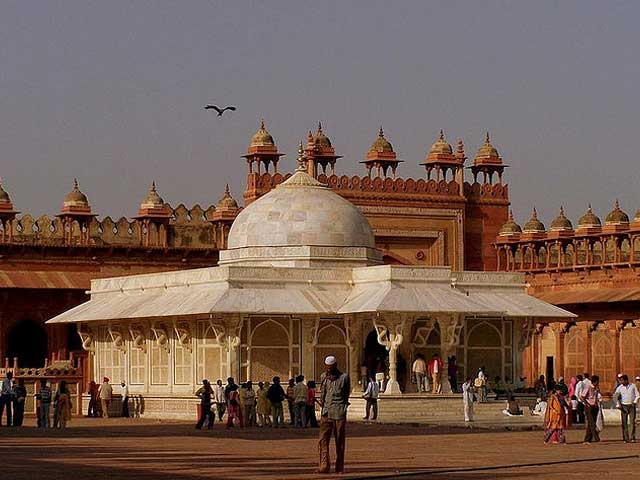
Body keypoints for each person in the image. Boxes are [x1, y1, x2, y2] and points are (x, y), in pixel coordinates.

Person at [318, 355, 350, 475]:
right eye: (327, 368)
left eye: (331, 367)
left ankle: (339, 466)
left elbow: (346, 394)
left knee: (339, 441)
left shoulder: (344, 377)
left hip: (339, 412)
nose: (329, 370)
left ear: (336, 366)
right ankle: (324, 465)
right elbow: (323, 394)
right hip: (326, 412)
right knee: (323, 440)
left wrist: (343, 407)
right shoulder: (323, 377)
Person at [613, 374, 639, 443]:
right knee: (624, 423)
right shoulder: (620, 387)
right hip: (623, 406)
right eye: (620, 380)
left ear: (626, 380)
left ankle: (632, 437)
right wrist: (618, 404)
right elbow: (615, 396)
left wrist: (634, 401)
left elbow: (637, 395)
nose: (621, 382)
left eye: (622, 380)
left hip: (631, 405)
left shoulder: (633, 386)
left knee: (632, 422)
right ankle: (625, 438)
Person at [581, 374, 601, 444]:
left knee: (591, 423)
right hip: (589, 407)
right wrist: (587, 404)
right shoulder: (588, 388)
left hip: (595, 406)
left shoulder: (596, 389)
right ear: (595, 382)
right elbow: (582, 397)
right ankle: (596, 438)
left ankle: (587, 439)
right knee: (592, 423)